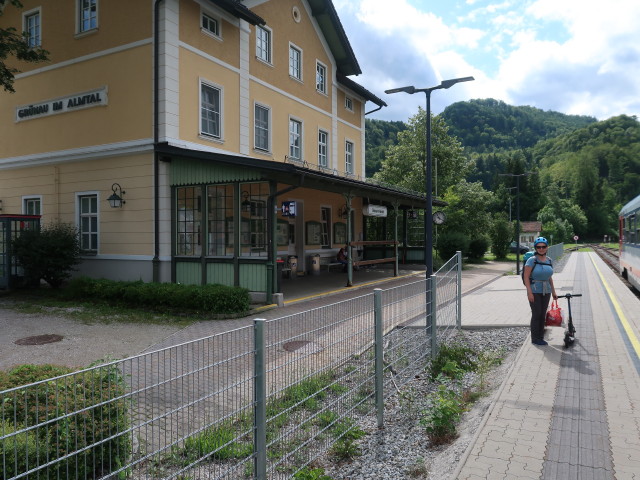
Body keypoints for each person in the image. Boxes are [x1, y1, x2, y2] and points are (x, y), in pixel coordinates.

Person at [523, 236, 558, 346]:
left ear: (547, 247)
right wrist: (529, 292)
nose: (541, 249)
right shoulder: (531, 260)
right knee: (536, 314)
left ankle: (541, 337)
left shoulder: (549, 260)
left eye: (543, 247)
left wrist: (553, 292)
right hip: (534, 290)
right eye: (539, 247)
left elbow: (549, 277)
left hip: (546, 290)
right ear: (536, 248)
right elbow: (526, 276)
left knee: (543, 314)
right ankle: (535, 338)